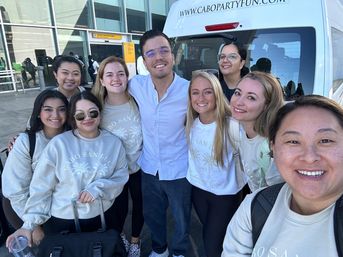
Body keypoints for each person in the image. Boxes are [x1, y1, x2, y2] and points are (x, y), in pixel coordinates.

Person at [221, 95, 343, 256]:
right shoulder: (255, 207)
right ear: (273, 147)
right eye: (293, 141)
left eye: (325, 140)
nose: (309, 156)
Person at [6, 91, 129, 247]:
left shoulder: (114, 143)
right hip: (63, 221)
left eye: (93, 113)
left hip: (103, 216)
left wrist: (98, 188)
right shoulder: (59, 144)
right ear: (73, 118)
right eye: (80, 116)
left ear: (100, 113)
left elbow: (121, 176)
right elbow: (42, 188)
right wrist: (29, 225)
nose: (88, 118)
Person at [128, 29, 191, 257]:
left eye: (164, 50)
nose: (159, 57)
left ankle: (179, 252)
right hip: (149, 166)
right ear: (144, 61)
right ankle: (159, 249)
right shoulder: (136, 85)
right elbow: (105, 94)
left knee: (182, 217)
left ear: (173, 56)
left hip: (179, 168)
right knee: (153, 214)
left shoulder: (189, 90)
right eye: (151, 53)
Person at [185, 71, 247, 257]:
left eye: (207, 92)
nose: (201, 98)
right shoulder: (192, 124)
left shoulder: (232, 126)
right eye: (195, 92)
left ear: (217, 93)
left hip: (225, 197)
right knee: (217, 240)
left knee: (211, 244)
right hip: (198, 191)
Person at [2, 89, 69, 244]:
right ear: (38, 112)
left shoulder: (73, 137)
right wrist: (33, 224)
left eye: (61, 109)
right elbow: (16, 190)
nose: (55, 115)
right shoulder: (26, 142)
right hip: (26, 208)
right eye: (48, 110)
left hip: (59, 208)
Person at [92, 56, 144, 257]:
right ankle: (120, 236)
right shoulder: (96, 108)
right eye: (110, 74)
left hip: (139, 167)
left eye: (120, 73)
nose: (116, 78)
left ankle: (135, 241)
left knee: (141, 206)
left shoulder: (138, 102)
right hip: (112, 172)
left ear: (127, 77)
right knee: (116, 209)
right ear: (102, 80)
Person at [230, 71, 284, 191]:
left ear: (267, 105)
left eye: (251, 97)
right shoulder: (242, 130)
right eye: (237, 93)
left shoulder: (270, 148)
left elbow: (277, 194)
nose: (238, 102)